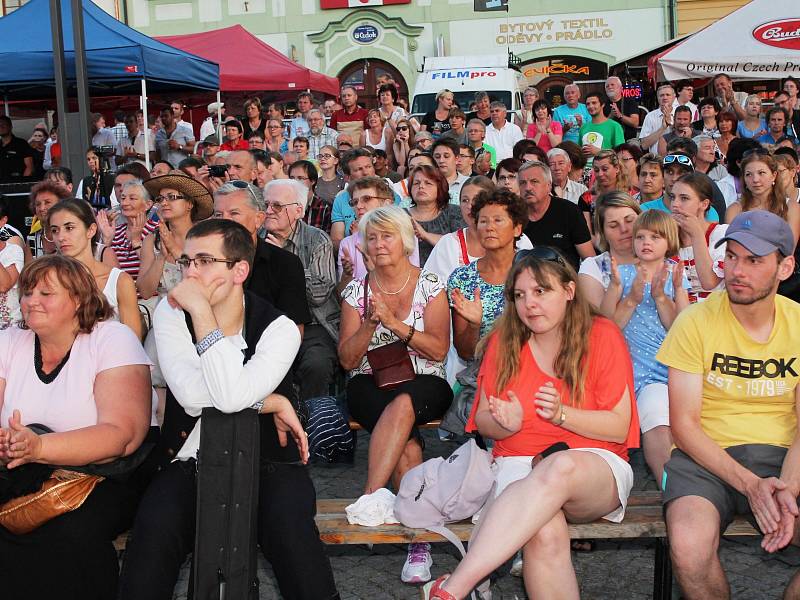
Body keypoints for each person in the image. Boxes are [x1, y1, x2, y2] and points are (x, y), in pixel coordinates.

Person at [118, 218, 339, 600]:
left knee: (293, 536)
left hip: (267, 459)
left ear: (240, 270)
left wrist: (203, 315)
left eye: (204, 261)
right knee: (153, 533)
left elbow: (228, 397)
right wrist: (270, 401)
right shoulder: (171, 315)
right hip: (189, 459)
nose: (190, 272)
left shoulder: (280, 327)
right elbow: (191, 395)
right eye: (186, 261)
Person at [421, 251, 638, 600]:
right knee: (544, 531)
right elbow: (483, 422)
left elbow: (619, 426)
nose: (529, 304)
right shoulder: (505, 341)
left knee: (560, 466)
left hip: (595, 465)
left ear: (569, 290)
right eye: (520, 295)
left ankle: (454, 588)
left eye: (541, 291)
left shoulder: (602, 334)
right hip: (518, 463)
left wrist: (562, 415)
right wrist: (507, 423)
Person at [656, 210, 800, 600]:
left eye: (754, 261)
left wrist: (786, 488)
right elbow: (683, 427)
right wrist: (751, 485)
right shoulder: (695, 321)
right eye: (732, 256)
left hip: (785, 457)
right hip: (705, 458)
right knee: (687, 546)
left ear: (784, 267)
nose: (737, 270)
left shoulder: (798, 324)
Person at [0, 254, 152, 600]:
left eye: (46, 294)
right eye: (27, 292)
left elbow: (122, 435)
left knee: (70, 531)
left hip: (101, 474)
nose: (30, 301)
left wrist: (38, 448)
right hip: (20, 469)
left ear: (79, 300)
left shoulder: (111, 339)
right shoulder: (9, 341)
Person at [339, 205, 452, 585]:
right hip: (368, 381)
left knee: (404, 404)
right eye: (371, 237)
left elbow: (438, 350)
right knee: (407, 443)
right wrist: (371, 325)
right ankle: (418, 544)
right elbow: (347, 359)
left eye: (386, 235)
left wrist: (394, 323)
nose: (379, 243)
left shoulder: (431, 285)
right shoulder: (356, 291)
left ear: (404, 241)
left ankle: (371, 495)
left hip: (425, 379)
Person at [603, 210, 688, 483]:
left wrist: (662, 296)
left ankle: (677, 484)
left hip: (667, 372)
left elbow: (683, 330)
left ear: (669, 241)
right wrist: (629, 296)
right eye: (640, 236)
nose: (646, 242)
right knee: (655, 420)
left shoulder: (676, 275)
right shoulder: (622, 275)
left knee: (667, 425)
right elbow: (606, 329)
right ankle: (670, 485)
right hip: (631, 374)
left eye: (655, 236)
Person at [261, 179, 340, 401]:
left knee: (316, 364)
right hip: (268, 325)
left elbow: (319, 294)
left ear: (298, 211)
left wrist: (288, 263)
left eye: (277, 206)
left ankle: (312, 424)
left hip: (314, 324)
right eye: (266, 204)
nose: (268, 211)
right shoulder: (257, 238)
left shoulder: (317, 239)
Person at [212, 181, 311, 330]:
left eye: (234, 213)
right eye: (218, 214)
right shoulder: (204, 262)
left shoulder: (285, 264)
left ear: (258, 219)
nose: (225, 221)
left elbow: (294, 330)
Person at [448, 188, 527, 360]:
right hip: (482, 371)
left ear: (517, 229)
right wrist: (474, 325)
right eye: (483, 221)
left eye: (498, 220)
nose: (489, 227)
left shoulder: (533, 273)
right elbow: (465, 353)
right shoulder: (462, 278)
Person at [49, 199, 142, 340]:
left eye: (69, 228)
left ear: (91, 230)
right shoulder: (48, 280)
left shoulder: (119, 281)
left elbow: (133, 341)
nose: (61, 237)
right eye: (55, 230)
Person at [137, 173, 213, 307]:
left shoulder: (205, 238)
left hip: (198, 312)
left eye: (171, 197)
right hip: (164, 317)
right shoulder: (151, 240)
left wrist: (174, 249)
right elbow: (145, 292)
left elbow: (206, 285)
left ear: (189, 204)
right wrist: (161, 257)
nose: (164, 203)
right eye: (160, 199)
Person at [338, 176, 420, 292]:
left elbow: (413, 282)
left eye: (366, 199)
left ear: (386, 203)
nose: (359, 206)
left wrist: (374, 271)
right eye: (355, 202)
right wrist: (347, 275)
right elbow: (342, 295)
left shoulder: (405, 235)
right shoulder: (347, 243)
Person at [520, 160, 594, 269]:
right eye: (522, 183)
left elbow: (589, 258)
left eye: (534, 181)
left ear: (549, 186)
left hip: (564, 279)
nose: (528, 188)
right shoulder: (514, 215)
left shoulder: (569, 212)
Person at [578, 191, 642, 312]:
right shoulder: (592, 267)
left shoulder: (660, 261)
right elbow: (600, 322)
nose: (624, 229)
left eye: (629, 220)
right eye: (613, 225)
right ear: (602, 233)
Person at [671, 173, 728, 303]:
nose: (675, 204)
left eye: (684, 198)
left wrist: (697, 234)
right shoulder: (666, 236)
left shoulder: (722, 234)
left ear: (704, 204)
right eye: (673, 197)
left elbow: (709, 282)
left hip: (715, 312)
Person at [727, 151, 800, 243]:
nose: (755, 180)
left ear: (774, 175)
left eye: (761, 173)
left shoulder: (791, 208)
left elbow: (789, 248)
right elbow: (731, 247)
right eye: (748, 174)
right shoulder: (734, 210)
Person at [406, 164, 466, 266]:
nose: (421, 186)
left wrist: (425, 235)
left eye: (428, 183)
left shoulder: (454, 212)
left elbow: (461, 247)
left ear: (440, 188)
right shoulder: (400, 216)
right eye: (416, 183)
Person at [107, 180, 159, 281]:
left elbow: (156, 269)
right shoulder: (115, 232)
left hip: (149, 296)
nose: (125, 203)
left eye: (132, 198)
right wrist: (106, 241)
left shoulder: (156, 231)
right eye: (123, 198)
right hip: (121, 294)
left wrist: (136, 241)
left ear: (148, 204)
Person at [578, 149, 629, 231]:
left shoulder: (630, 194)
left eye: (605, 169)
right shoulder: (586, 198)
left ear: (617, 168)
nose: (600, 174)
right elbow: (587, 233)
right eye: (596, 170)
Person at [27, 181, 72, 258]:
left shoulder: (72, 234)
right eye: (38, 204)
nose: (42, 208)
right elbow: (28, 269)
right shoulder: (32, 239)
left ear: (61, 204)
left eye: (47, 202)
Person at [579, 92, 624, 161]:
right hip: (585, 169)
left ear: (602, 105)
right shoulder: (583, 128)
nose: (590, 106)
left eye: (594, 103)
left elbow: (621, 153)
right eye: (588, 104)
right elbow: (579, 151)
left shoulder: (615, 126)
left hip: (605, 169)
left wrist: (599, 152)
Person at [639, 84, 677, 154]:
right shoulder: (650, 116)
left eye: (668, 95)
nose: (665, 97)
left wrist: (671, 124)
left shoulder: (680, 113)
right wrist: (662, 128)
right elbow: (644, 145)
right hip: (656, 160)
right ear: (657, 98)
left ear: (674, 97)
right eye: (661, 95)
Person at [432, 138, 469, 204]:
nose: (441, 160)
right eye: (437, 157)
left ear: (457, 159)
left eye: (446, 156)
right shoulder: (427, 184)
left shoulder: (468, 183)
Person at [604, 75, 641, 140]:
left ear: (621, 88)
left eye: (612, 85)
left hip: (628, 140)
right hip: (610, 140)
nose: (610, 87)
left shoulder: (630, 101)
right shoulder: (603, 104)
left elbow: (635, 123)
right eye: (607, 86)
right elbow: (602, 126)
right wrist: (611, 115)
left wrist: (619, 115)